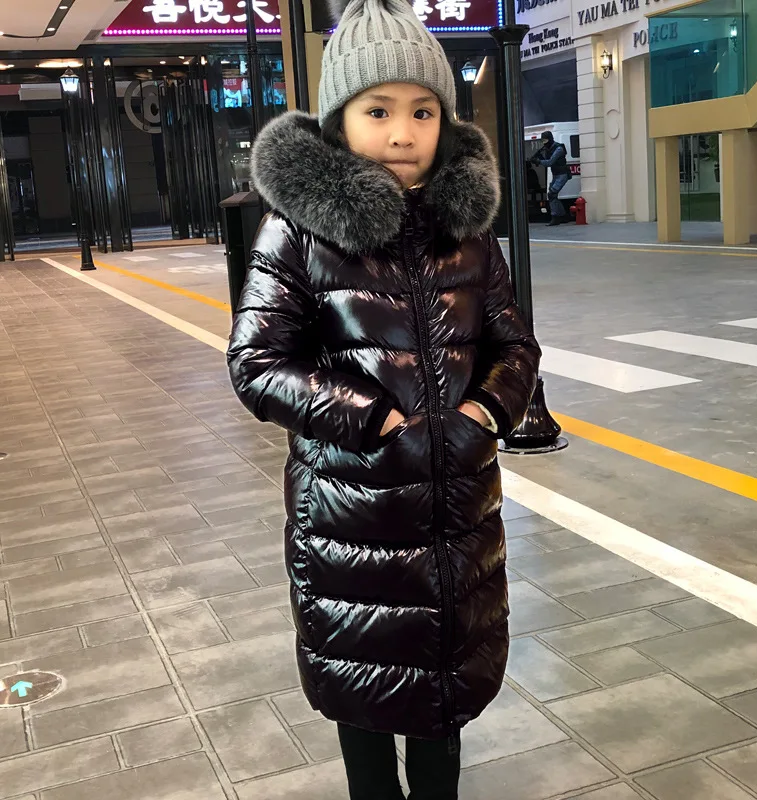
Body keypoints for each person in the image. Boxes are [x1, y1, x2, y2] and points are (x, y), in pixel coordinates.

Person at [227, 0, 541, 797]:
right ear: (339, 119)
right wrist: (373, 419)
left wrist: (483, 414)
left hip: (459, 521)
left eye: (422, 111)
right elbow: (257, 362)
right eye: (378, 110)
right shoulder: (298, 232)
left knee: (444, 708)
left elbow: (515, 348)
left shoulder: (467, 233)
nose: (403, 133)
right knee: (364, 703)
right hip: (351, 524)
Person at [532, 130, 572, 226]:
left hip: (562, 174)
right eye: (543, 141)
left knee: (552, 194)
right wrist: (539, 157)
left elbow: (550, 162)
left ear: (550, 139)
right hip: (556, 174)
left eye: (546, 141)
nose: (544, 143)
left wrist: (538, 161)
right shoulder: (548, 149)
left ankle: (556, 217)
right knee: (553, 195)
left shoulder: (558, 149)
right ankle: (563, 215)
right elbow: (547, 161)